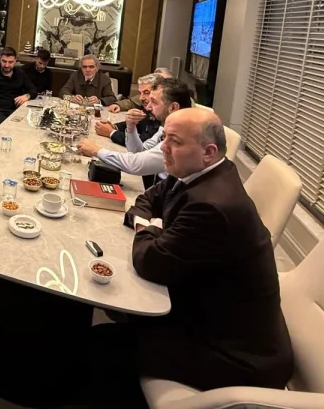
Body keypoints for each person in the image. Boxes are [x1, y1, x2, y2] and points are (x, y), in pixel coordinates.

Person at [83, 109, 293, 407]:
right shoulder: (198, 171)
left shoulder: (212, 205)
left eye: (175, 141)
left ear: (209, 152)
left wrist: (145, 227)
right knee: (111, 328)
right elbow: (147, 199)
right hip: (210, 314)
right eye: (165, 138)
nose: (163, 147)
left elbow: (150, 262)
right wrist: (152, 224)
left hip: (235, 355)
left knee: (101, 346)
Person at [77, 78, 193, 189]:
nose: (148, 107)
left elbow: (135, 164)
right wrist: (131, 127)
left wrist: (96, 150)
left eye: (154, 102)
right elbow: (139, 151)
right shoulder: (165, 127)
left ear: (173, 107)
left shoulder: (180, 136)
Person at [98, 73, 161, 146]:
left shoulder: (161, 114)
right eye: (140, 93)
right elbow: (138, 123)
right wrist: (114, 126)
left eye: (146, 93)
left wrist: (111, 132)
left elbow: (142, 142)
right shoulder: (148, 108)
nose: (141, 98)